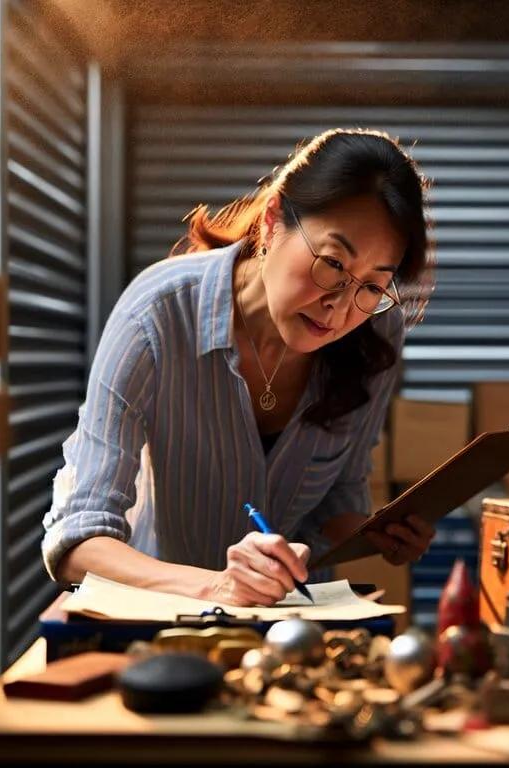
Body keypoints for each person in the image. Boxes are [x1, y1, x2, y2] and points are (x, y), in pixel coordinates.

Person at [42, 129, 437, 606]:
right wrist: (215, 586)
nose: (340, 308)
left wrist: (377, 533)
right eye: (332, 263)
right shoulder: (158, 314)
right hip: (163, 634)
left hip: (294, 631)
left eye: (373, 286)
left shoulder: (376, 334)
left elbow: (338, 495)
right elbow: (76, 542)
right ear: (272, 222)